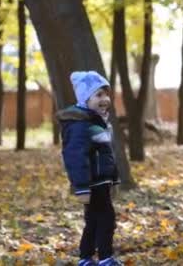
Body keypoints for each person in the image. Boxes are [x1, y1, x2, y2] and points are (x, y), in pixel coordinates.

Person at [57, 71, 122, 266]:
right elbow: (74, 156)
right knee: (106, 219)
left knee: (94, 220)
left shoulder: (95, 120)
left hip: (101, 181)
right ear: (86, 98)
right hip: (92, 183)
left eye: (105, 94)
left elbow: (106, 153)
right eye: (98, 95)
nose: (105, 99)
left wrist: (115, 180)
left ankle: (85, 258)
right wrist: (82, 187)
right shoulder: (80, 124)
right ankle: (105, 258)